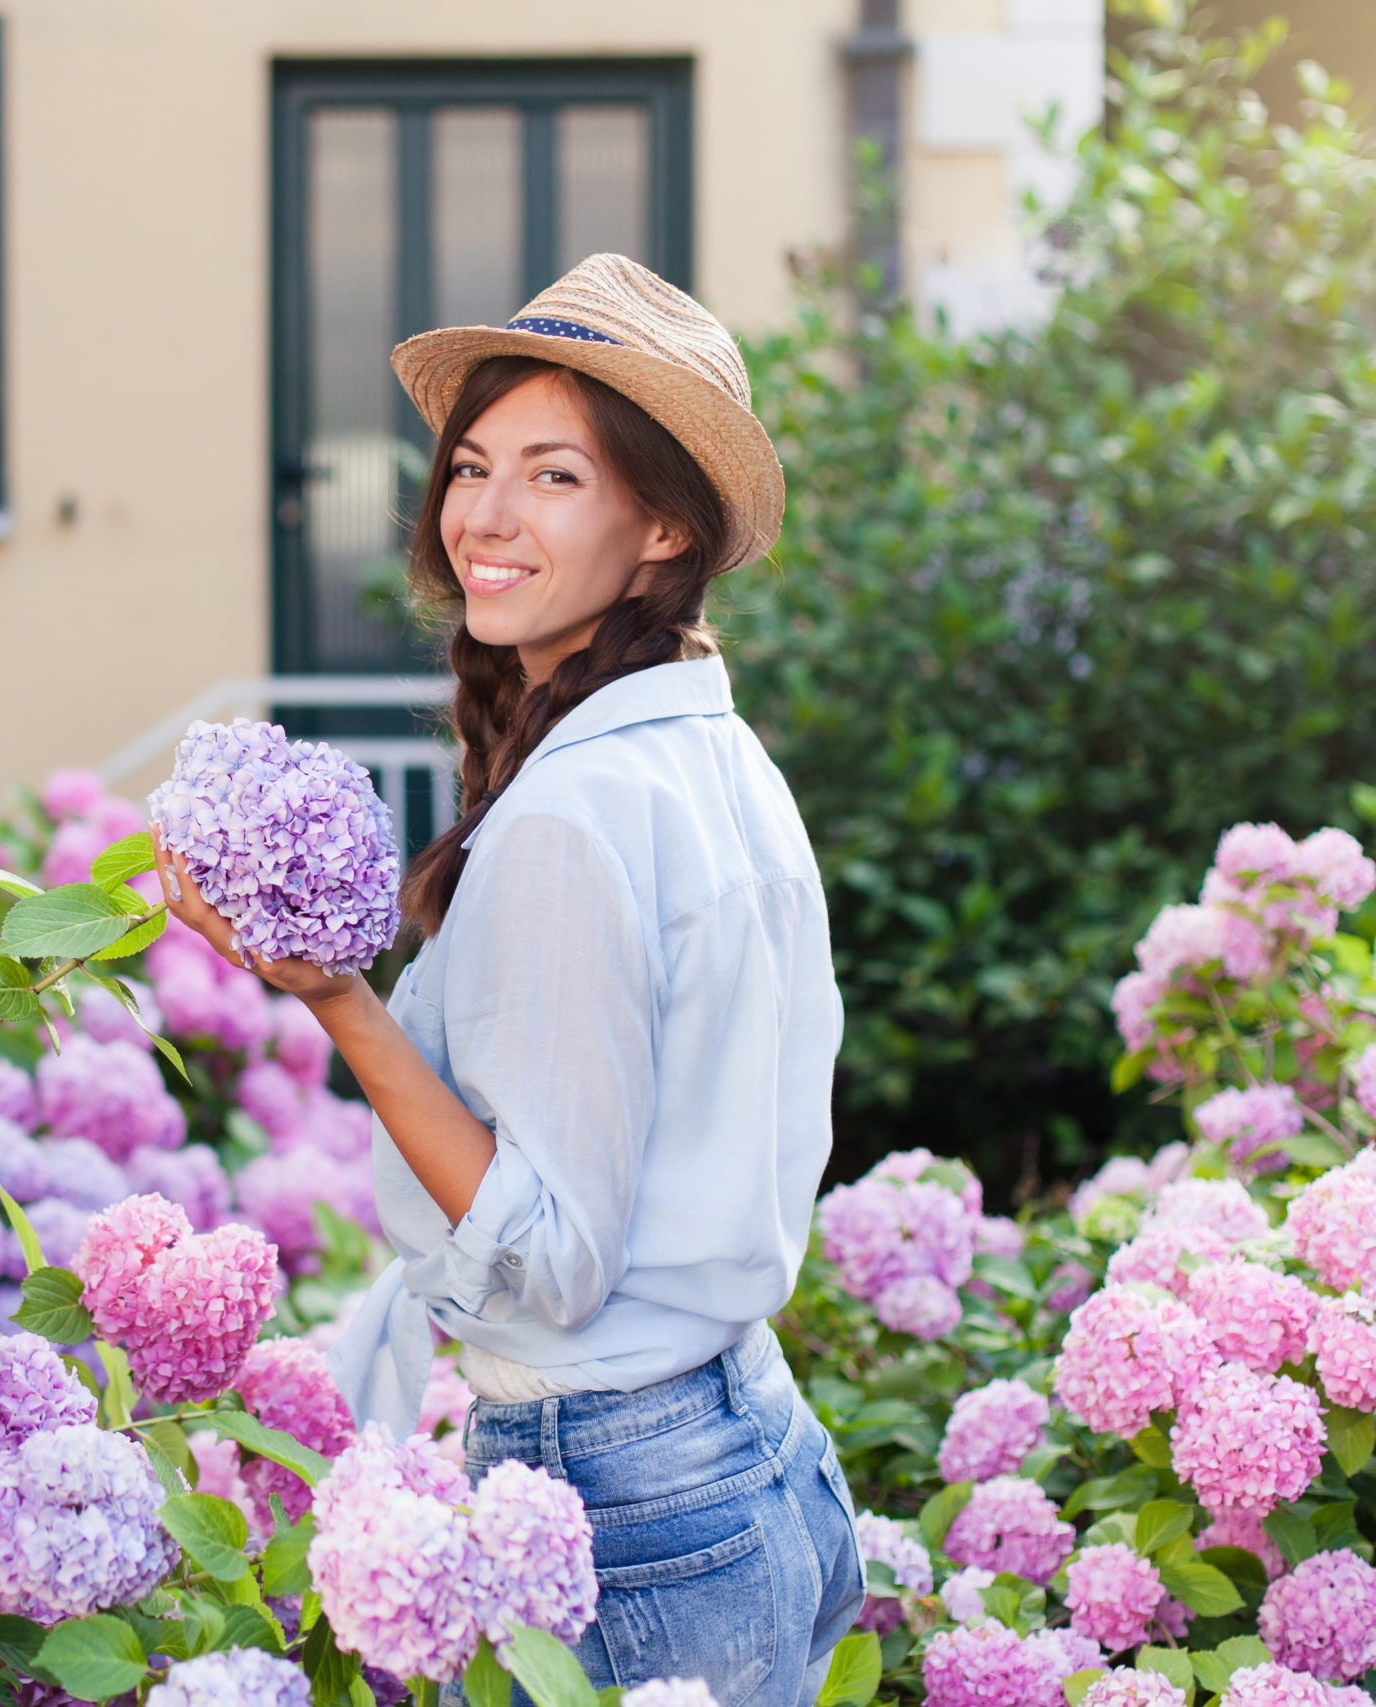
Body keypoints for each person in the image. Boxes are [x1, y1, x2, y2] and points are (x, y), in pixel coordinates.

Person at [156, 253, 862, 1706]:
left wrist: (340, 998)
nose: (483, 515)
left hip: (621, 1505)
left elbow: (548, 1255)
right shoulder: (720, 760)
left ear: (663, 522)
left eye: (554, 476)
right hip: (761, 1454)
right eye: (473, 467)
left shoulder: (569, 819)